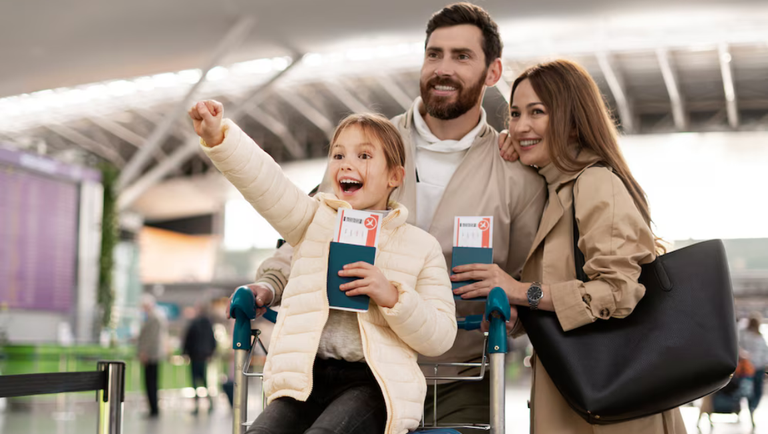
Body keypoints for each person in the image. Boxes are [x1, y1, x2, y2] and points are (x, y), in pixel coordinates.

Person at [235, 4, 546, 429]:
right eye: (434, 54)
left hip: (461, 378)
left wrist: (516, 312)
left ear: (494, 72)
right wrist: (270, 284)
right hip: (359, 367)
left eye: (462, 56)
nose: (443, 68)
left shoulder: (516, 176)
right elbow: (314, 229)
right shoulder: (368, 148)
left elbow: (532, 274)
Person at [189, 101, 458, 434]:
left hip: (375, 385)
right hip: (306, 380)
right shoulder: (313, 221)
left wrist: (392, 297)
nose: (347, 164)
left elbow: (441, 336)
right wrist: (221, 138)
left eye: (364, 156)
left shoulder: (421, 247)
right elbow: (267, 184)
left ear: (395, 176)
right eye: (339, 155)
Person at [452, 59, 687, 433]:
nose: (520, 125)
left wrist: (517, 290)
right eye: (514, 114)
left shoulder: (594, 184)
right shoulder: (554, 191)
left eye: (537, 112)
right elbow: (559, 293)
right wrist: (518, 313)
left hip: (615, 411)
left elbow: (616, 292)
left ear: (573, 120)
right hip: (579, 396)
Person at [182, 302, 217, 414]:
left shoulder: (194, 323)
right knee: (204, 380)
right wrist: (211, 353)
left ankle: (197, 405)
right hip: (204, 356)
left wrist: (185, 352)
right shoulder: (208, 323)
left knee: (195, 381)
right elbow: (212, 340)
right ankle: (209, 403)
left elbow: (188, 339)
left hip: (195, 355)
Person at [137, 294, 167, 418]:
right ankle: (153, 408)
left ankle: (154, 409)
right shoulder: (155, 316)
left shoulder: (154, 317)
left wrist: (144, 352)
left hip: (152, 355)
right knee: (151, 383)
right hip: (152, 354)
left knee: (151, 383)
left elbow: (151, 338)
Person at [740, 313, 768, 428]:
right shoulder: (745, 335)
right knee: (752, 391)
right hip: (749, 368)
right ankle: (751, 408)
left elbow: (766, 353)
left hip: (757, 368)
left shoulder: (760, 336)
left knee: (755, 391)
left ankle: (752, 408)